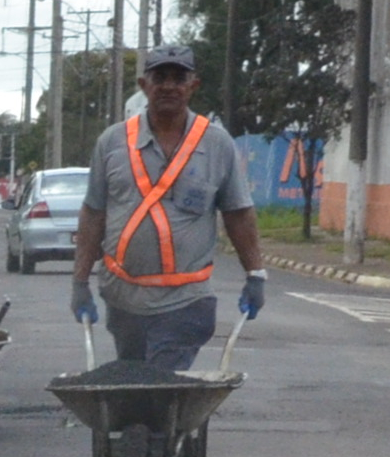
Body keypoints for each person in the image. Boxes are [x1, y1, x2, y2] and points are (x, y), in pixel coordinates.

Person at [72, 42, 269, 370]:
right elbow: (94, 213)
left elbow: (238, 214)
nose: (168, 86)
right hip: (124, 299)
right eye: (159, 77)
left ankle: (155, 421)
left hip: (187, 300)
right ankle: (146, 421)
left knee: (160, 382)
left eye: (178, 78)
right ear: (143, 85)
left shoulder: (216, 143)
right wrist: (79, 282)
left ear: (193, 85)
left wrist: (256, 274)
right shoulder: (113, 142)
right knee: (133, 377)